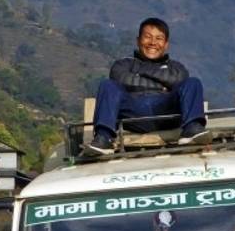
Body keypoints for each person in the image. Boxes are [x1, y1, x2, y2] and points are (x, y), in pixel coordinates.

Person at [84, 17, 208, 156]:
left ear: (166, 44)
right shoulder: (123, 64)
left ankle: (192, 129)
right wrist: (162, 84)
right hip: (133, 112)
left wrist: (141, 71)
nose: (153, 43)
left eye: (159, 38)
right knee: (107, 85)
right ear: (138, 40)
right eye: (147, 37)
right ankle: (103, 137)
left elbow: (179, 79)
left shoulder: (176, 68)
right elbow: (120, 78)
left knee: (193, 82)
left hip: (166, 111)